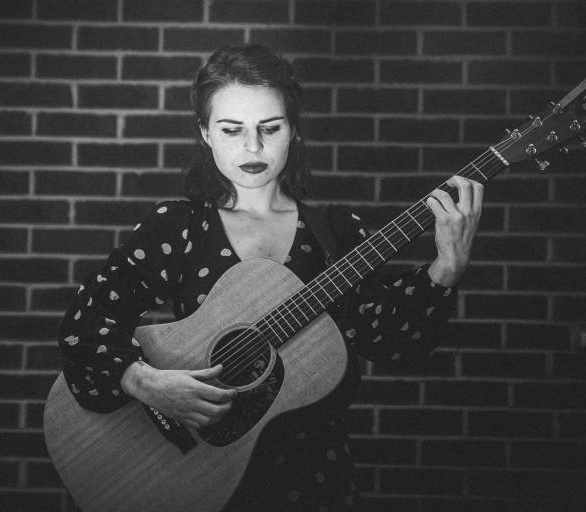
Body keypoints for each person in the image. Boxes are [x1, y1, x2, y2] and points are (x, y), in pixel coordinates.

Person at [57, 44, 482, 511]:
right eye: (231, 129)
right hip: (200, 472)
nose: (253, 147)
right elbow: (86, 320)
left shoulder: (335, 233)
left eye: (270, 127)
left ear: (293, 129)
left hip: (311, 477)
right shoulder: (178, 228)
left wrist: (446, 268)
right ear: (205, 133)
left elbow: (392, 343)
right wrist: (145, 383)